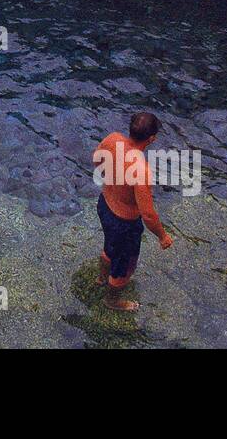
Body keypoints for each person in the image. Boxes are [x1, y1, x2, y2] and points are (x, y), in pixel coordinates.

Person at [92, 111, 174, 311]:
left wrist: (113, 177)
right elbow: (148, 214)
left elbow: (96, 159)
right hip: (124, 223)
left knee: (110, 246)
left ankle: (102, 277)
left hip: (104, 205)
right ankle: (111, 300)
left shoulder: (113, 139)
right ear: (152, 138)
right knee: (126, 266)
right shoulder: (141, 170)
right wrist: (163, 236)